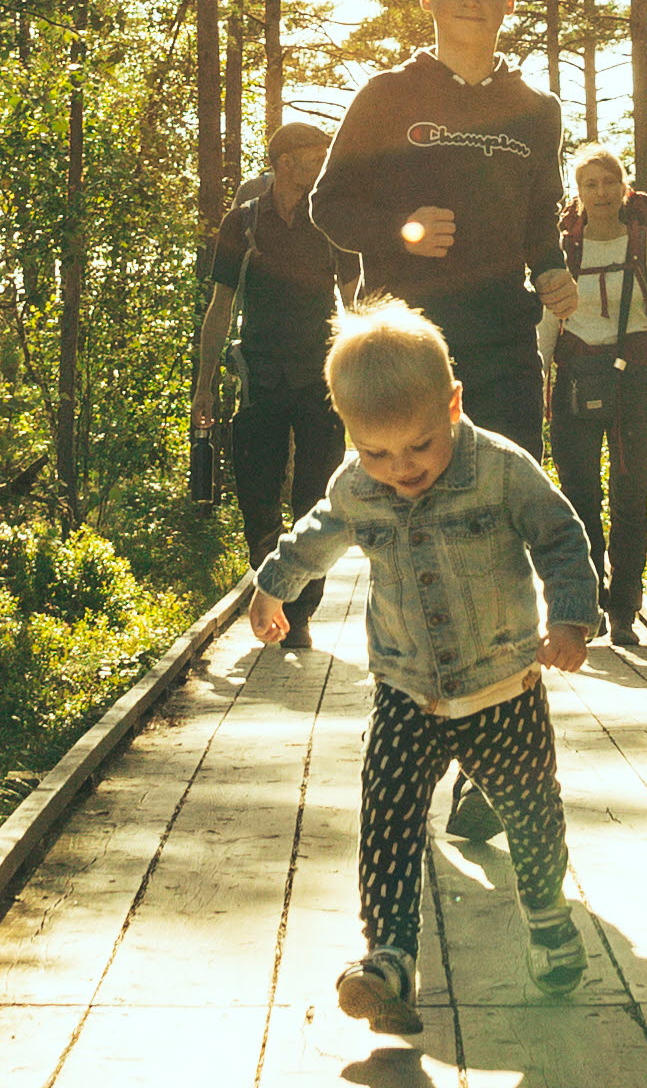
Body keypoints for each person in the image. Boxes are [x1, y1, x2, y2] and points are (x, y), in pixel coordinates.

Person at [246, 296, 599, 1033]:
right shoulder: (357, 483)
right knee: (390, 822)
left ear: (453, 405)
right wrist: (273, 586)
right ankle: (391, 959)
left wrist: (571, 616)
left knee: (533, 817)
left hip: (504, 686)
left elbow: (561, 537)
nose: (399, 469)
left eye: (418, 446)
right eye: (376, 452)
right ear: (350, 433)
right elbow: (316, 533)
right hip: (407, 689)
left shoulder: (501, 470)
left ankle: (546, 918)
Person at [309, 0, 578, 457]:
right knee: (403, 514)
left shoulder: (538, 110)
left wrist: (550, 267)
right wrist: (401, 231)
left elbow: (538, 218)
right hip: (401, 347)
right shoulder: (386, 94)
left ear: (510, 0)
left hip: (505, 348)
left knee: (505, 510)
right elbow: (329, 205)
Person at [192, 118, 352, 654]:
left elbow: (357, 305)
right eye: (312, 160)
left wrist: (366, 375)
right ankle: (270, 583)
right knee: (257, 494)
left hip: (320, 379)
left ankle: (300, 616)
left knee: (317, 498)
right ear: (285, 163)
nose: (321, 168)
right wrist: (204, 385)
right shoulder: (244, 223)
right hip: (258, 376)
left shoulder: (334, 224)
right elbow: (219, 308)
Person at [542, 144, 647, 642]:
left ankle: (625, 611)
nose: (601, 192)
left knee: (631, 498)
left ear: (624, 188)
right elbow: (546, 325)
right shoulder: (563, 251)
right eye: (590, 184)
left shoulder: (645, 244)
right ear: (578, 194)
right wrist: (534, 386)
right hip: (576, 380)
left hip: (635, 384)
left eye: (609, 182)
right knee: (579, 497)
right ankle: (590, 607)